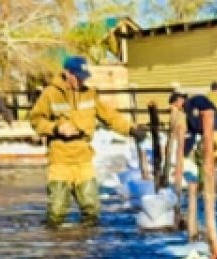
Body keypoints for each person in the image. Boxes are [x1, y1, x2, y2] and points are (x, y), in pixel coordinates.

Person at [29, 55, 143, 226]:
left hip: (83, 157)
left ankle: (88, 244)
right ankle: (55, 246)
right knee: (57, 211)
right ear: (67, 74)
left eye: (83, 77)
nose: (81, 81)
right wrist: (56, 129)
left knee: (91, 209)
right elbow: (36, 120)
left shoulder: (90, 94)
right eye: (77, 77)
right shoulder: (50, 94)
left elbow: (110, 116)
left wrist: (131, 129)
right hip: (60, 159)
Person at [170, 91, 217, 187]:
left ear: (180, 100)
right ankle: (213, 184)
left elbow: (210, 110)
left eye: (176, 105)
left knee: (201, 153)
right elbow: (191, 136)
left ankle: (205, 183)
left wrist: (200, 113)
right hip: (212, 134)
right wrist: (183, 155)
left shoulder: (196, 100)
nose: (178, 109)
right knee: (210, 159)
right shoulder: (189, 116)